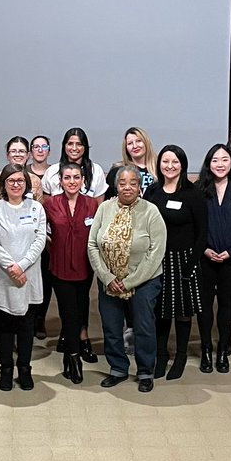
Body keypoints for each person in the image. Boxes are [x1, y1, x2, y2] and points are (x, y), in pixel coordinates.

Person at [89, 166, 167, 392]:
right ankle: (117, 369)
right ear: (116, 185)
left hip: (144, 280)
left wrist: (131, 281)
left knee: (143, 327)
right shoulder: (104, 208)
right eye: (122, 183)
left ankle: (145, 371)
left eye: (133, 182)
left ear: (140, 185)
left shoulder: (151, 211)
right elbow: (92, 244)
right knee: (111, 326)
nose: (127, 187)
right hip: (109, 280)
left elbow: (156, 250)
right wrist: (106, 276)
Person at [145, 145, 208, 379]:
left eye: (175, 162)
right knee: (160, 311)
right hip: (157, 259)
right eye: (165, 162)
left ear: (182, 164)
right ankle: (161, 356)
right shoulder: (152, 192)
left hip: (184, 260)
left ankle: (180, 356)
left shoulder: (193, 194)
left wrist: (191, 264)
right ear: (159, 164)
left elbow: (202, 233)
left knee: (183, 312)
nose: (169, 166)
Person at [0, 164, 48, 391]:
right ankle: (6, 370)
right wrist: (11, 267)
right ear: (3, 184)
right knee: (4, 326)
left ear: (27, 184)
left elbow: (40, 240)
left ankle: (24, 369)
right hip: (3, 276)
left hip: (28, 275)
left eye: (20, 181)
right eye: (11, 181)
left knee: (26, 327)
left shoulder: (37, 209)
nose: (16, 185)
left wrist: (21, 266)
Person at [195, 144, 231, 374]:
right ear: (209, 163)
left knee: (227, 306)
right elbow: (195, 226)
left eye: (224, 160)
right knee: (205, 306)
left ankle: (222, 350)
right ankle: (206, 349)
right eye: (215, 160)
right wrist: (205, 249)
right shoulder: (199, 189)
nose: (220, 164)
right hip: (205, 257)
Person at [44, 162, 101, 383]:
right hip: (59, 267)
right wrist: (54, 246)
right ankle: (74, 357)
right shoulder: (51, 204)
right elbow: (40, 231)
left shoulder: (92, 205)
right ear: (60, 180)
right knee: (69, 313)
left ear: (83, 180)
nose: (72, 181)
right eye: (67, 177)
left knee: (81, 307)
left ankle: (71, 353)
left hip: (85, 267)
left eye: (76, 177)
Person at [43, 127, 108, 198]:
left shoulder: (96, 170)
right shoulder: (52, 171)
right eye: (70, 144)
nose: (74, 148)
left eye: (79, 144)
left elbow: (99, 206)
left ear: (85, 147)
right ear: (64, 146)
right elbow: (46, 204)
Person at [104, 127, 157, 198]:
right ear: (126, 148)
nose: (135, 146)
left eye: (138, 141)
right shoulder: (117, 171)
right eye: (130, 143)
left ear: (146, 143)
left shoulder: (160, 168)